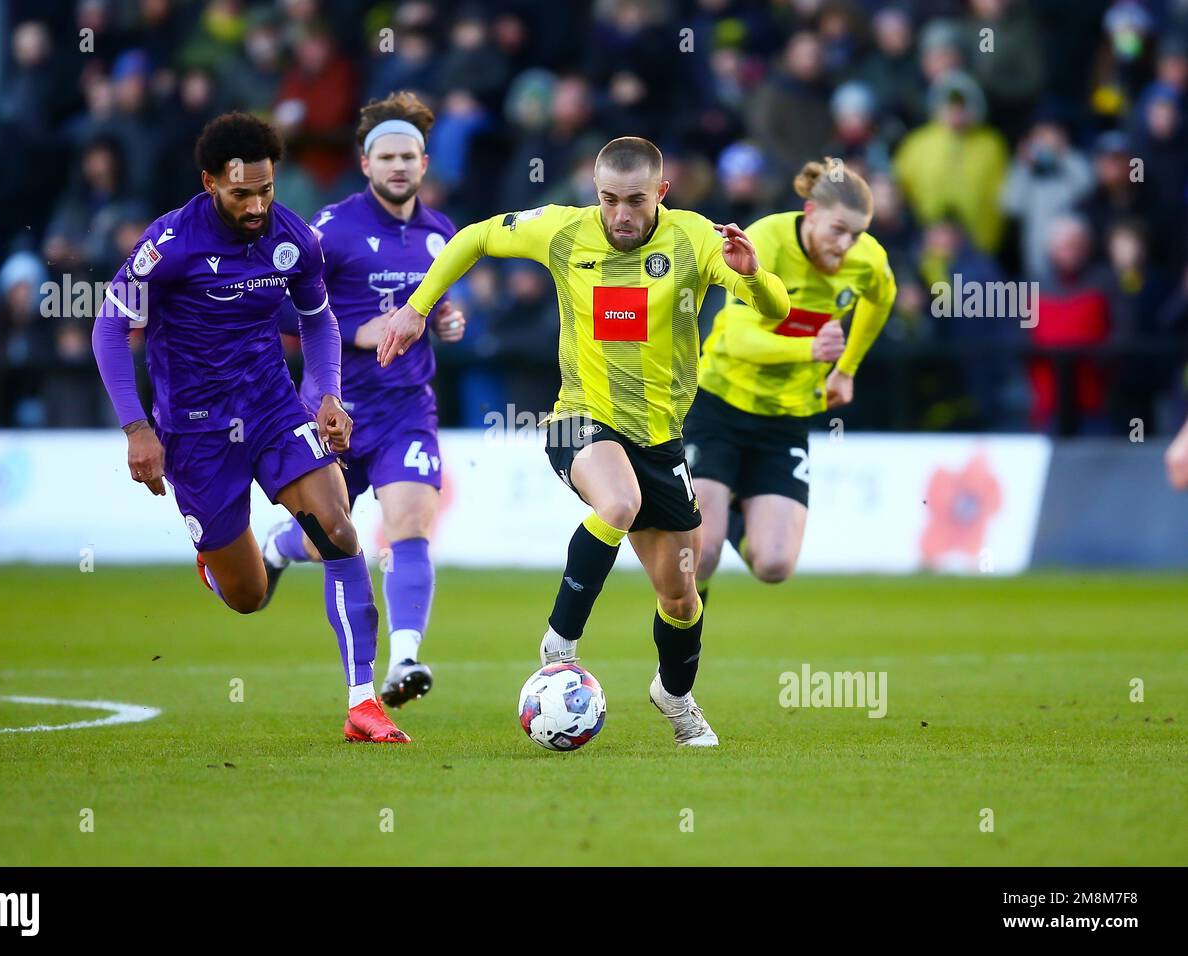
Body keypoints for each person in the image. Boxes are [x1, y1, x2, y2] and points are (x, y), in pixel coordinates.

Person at [379, 136, 790, 747]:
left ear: (661, 194)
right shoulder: (565, 231)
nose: (620, 215)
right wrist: (417, 307)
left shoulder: (695, 239)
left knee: (680, 595)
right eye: (608, 199)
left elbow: (777, 310)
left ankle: (675, 697)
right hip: (579, 421)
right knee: (617, 504)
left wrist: (755, 276)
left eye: (634, 201)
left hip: (660, 440)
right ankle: (560, 641)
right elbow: (474, 237)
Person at [90, 112, 410, 744]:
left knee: (339, 529)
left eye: (267, 189)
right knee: (247, 595)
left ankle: (362, 703)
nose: (258, 205)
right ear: (210, 182)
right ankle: (228, 559)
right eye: (242, 194)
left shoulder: (294, 239)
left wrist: (326, 395)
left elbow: (319, 321)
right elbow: (107, 331)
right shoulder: (169, 245)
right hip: (195, 431)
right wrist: (136, 429)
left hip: (272, 407)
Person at [263, 91, 463, 710]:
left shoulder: (442, 236)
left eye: (409, 156)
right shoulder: (329, 231)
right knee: (334, 538)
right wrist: (355, 332)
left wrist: (449, 319)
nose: (399, 166)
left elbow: (439, 306)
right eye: (387, 157)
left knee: (409, 523)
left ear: (424, 163)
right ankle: (277, 545)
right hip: (336, 409)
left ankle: (404, 659)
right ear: (366, 163)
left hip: (408, 407)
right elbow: (278, 309)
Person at [685, 158, 896, 598]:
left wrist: (846, 369)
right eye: (838, 230)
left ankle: (731, 507)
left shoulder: (866, 260)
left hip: (786, 414)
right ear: (811, 212)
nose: (847, 245)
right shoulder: (766, 241)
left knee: (775, 565)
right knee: (700, 556)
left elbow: (883, 297)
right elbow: (740, 336)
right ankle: (683, 644)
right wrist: (810, 349)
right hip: (719, 401)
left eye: (857, 234)